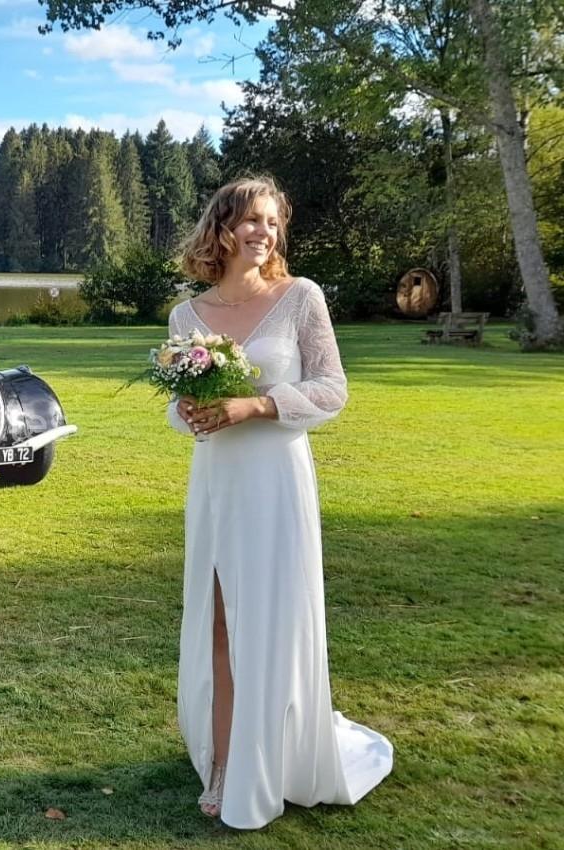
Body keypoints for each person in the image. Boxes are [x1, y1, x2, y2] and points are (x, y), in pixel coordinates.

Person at [165, 175, 393, 829]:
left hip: (276, 479)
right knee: (217, 624)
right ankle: (225, 762)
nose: (262, 233)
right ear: (222, 229)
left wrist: (258, 405)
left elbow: (331, 388)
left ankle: (275, 757)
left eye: (272, 222)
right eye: (250, 221)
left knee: (270, 622)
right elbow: (180, 413)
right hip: (216, 483)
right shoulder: (189, 315)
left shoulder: (300, 298)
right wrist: (191, 412)